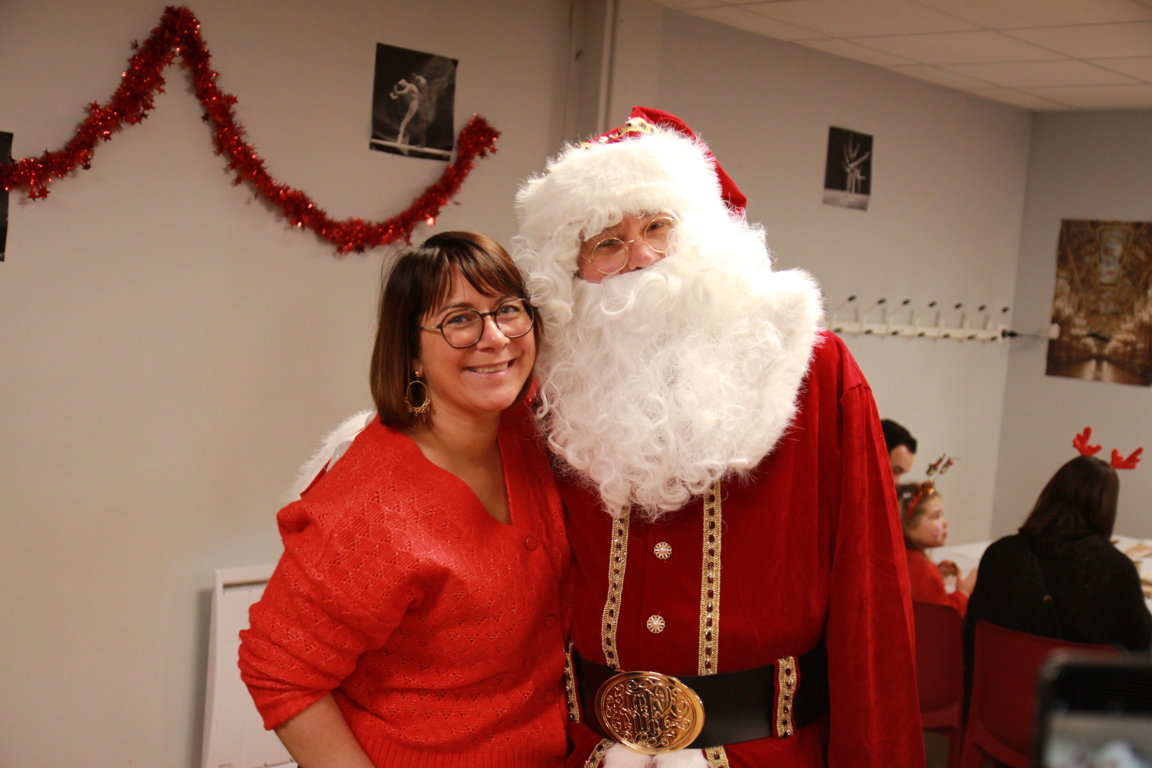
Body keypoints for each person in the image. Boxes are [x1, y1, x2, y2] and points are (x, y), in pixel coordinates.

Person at [513, 107, 922, 767]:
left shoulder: (810, 369)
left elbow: (869, 594)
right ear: (572, 270)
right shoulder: (551, 389)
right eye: (607, 243)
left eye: (658, 227)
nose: (641, 258)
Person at [238, 232, 569, 767]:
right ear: (412, 351)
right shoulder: (374, 504)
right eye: (459, 319)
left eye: (508, 309)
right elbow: (278, 668)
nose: (494, 338)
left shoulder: (529, 431)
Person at [964, 455, 1152, 662]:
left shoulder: (999, 554)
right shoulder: (1115, 570)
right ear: (1107, 508)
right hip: (1077, 683)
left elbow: (971, 635)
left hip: (999, 680)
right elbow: (1143, 645)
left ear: (1050, 495)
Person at [898, 481, 976, 615]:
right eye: (936, 516)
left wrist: (936, 575)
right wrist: (963, 593)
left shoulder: (903, 557)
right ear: (909, 525)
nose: (945, 523)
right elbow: (945, 616)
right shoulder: (923, 569)